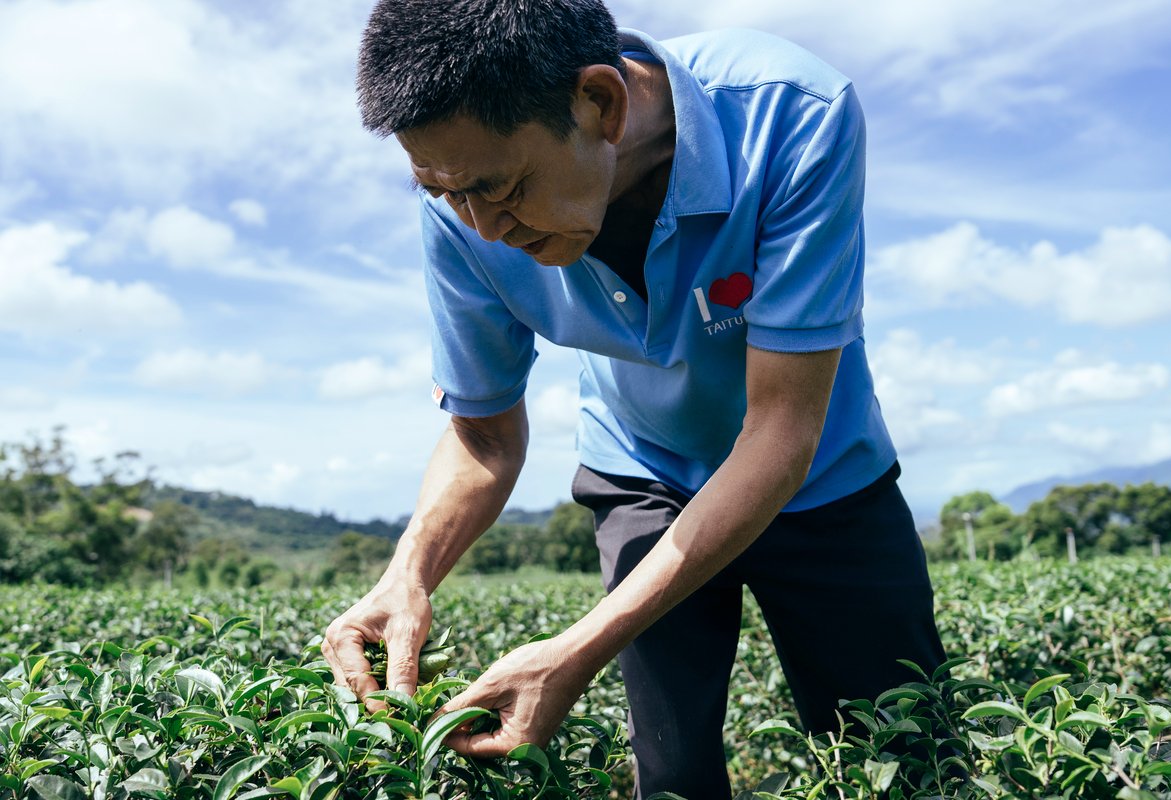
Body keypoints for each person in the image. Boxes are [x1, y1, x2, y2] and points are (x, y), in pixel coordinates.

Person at [322, 1, 946, 797]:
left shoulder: (791, 113)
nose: (480, 226)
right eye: (446, 194)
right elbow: (483, 438)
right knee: (674, 769)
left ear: (601, 104)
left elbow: (782, 428)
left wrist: (575, 651)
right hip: (645, 469)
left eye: (501, 189)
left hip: (824, 472)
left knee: (902, 751)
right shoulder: (460, 202)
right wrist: (406, 575)